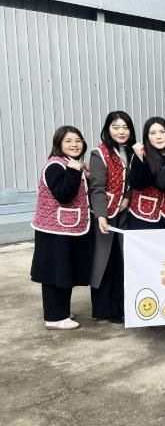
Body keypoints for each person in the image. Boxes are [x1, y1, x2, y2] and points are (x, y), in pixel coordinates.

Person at [30, 126, 93, 330]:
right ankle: (54, 318)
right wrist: (74, 171)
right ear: (58, 144)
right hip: (54, 231)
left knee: (64, 271)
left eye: (78, 140)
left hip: (66, 227)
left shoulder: (69, 163)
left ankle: (61, 312)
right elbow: (64, 195)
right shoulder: (55, 166)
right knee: (54, 273)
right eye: (68, 141)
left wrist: (84, 175)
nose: (74, 144)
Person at [88, 111, 136, 323]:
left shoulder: (134, 151)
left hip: (125, 213)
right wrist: (100, 216)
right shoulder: (99, 153)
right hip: (105, 215)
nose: (121, 132)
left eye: (125, 127)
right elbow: (97, 187)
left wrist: (127, 197)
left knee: (122, 260)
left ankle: (122, 306)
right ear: (108, 130)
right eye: (116, 127)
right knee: (104, 260)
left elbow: (134, 181)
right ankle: (104, 309)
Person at [127, 117, 165, 230]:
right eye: (153, 133)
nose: (158, 137)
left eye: (162, 132)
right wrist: (140, 158)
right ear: (147, 136)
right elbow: (138, 184)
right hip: (144, 216)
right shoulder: (141, 153)